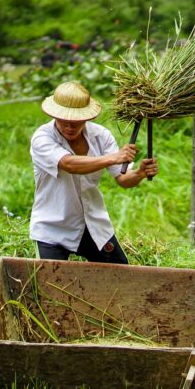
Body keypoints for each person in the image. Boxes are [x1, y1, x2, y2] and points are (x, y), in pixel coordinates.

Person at [29, 81, 158, 264]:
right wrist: (113, 157)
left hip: (92, 224)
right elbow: (69, 164)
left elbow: (123, 178)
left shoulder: (101, 136)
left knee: (121, 275)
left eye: (76, 122)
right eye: (64, 121)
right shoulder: (42, 138)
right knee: (51, 285)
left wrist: (139, 173)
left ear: (86, 118)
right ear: (54, 115)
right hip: (53, 227)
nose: (70, 127)